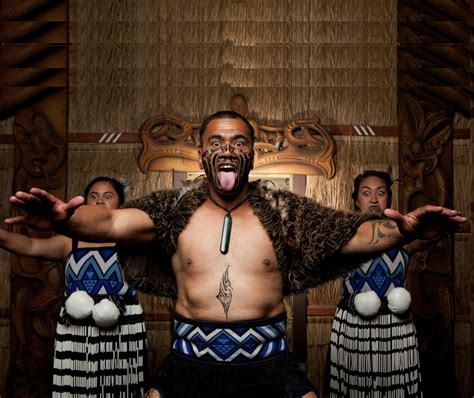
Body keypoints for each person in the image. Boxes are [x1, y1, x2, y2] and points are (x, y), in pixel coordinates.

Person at [5, 111, 466, 398]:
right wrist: (65, 220)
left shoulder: (284, 211)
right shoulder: (172, 209)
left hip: (269, 362)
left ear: (252, 155)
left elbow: (352, 236)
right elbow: (106, 223)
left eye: (239, 142)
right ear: (203, 154)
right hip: (189, 362)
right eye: (217, 142)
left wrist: (403, 232)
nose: (228, 149)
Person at [1, 177, 148, 397]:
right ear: (83, 205)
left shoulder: (133, 240)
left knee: (121, 390)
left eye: (108, 196)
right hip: (76, 329)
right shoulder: (69, 242)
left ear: (121, 205)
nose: (100, 202)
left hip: (123, 327)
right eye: (93, 196)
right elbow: (30, 245)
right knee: (77, 389)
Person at [325, 170, 431, 397]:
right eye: (366, 193)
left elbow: (431, 233)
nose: (374, 199)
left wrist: (437, 226)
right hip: (354, 329)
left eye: (380, 193)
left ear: (389, 200)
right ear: (356, 200)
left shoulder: (405, 239)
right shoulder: (341, 237)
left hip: (396, 329)